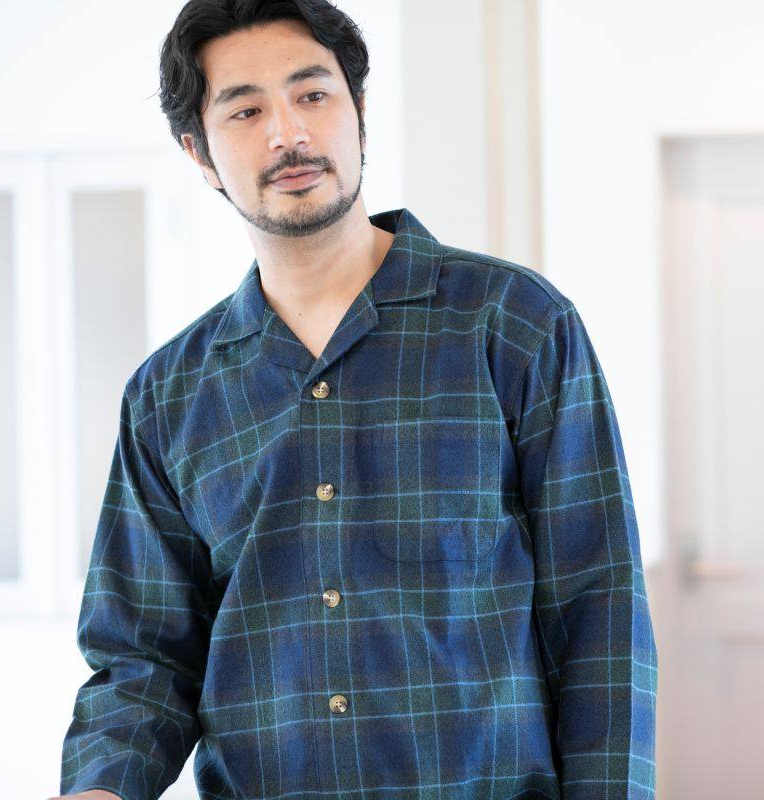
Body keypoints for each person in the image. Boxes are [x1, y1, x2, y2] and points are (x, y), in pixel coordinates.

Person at [52, 1, 658, 799]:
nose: (287, 133)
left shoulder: (515, 326)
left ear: (360, 113)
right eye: (245, 111)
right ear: (200, 153)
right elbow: (145, 658)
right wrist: (99, 785)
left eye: (313, 95)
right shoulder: (168, 396)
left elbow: (599, 611)